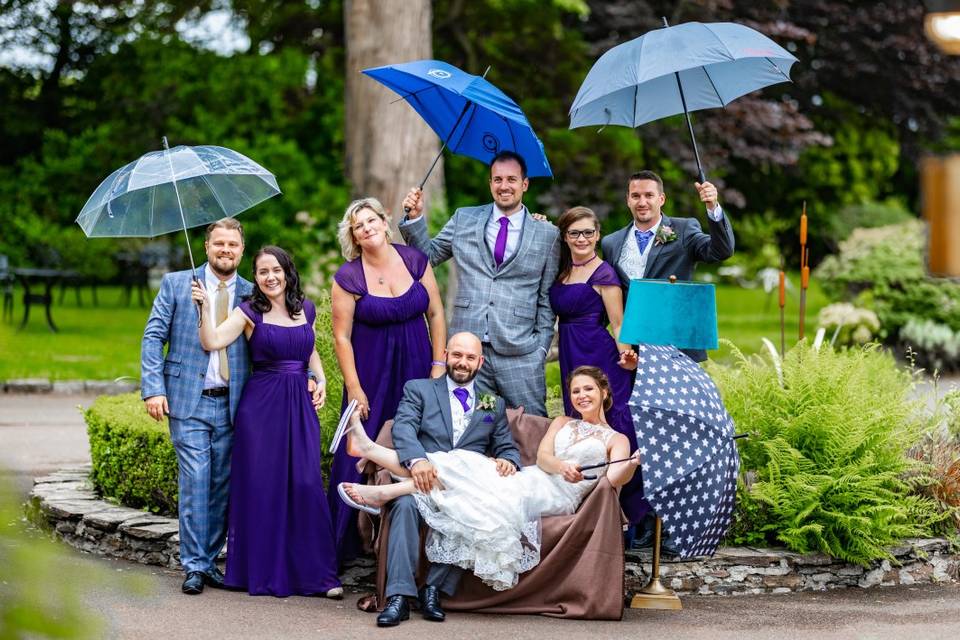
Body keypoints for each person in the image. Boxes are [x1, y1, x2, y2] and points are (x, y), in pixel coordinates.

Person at [338, 365, 639, 596]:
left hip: (557, 497)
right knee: (464, 463)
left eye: (588, 389)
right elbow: (544, 458)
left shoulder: (617, 440)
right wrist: (561, 465)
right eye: (575, 391)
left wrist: (631, 465)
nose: (581, 396)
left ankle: (374, 459)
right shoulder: (562, 422)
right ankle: (379, 469)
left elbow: (613, 479)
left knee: (465, 472)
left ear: (604, 392)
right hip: (533, 477)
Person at [337, 332, 520, 627]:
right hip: (420, 480)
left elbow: (507, 447)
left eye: (470, 357)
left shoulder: (491, 403)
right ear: (446, 354)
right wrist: (418, 459)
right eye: (457, 355)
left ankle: (433, 591)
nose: (462, 362)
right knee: (406, 505)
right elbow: (404, 429)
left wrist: (508, 461)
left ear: (480, 362)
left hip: (461, 491)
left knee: (478, 513)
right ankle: (398, 597)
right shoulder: (420, 389)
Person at [191, 245, 341, 598]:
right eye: (262, 272)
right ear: (256, 278)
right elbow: (212, 341)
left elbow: (311, 350)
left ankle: (318, 576)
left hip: (300, 408)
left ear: (288, 272)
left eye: (276, 270)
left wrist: (320, 379)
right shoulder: (248, 312)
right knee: (264, 488)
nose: (270, 277)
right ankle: (261, 572)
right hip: (261, 410)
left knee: (305, 484)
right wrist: (203, 308)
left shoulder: (305, 309)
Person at [329, 197, 446, 564]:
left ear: (385, 221)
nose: (367, 228)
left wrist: (439, 364)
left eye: (371, 220)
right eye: (358, 225)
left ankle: (415, 539)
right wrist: (355, 387)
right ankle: (345, 543)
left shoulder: (414, 260)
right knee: (359, 446)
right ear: (354, 236)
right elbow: (341, 337)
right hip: (371, 369)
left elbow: (436, 312)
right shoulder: (348, 277)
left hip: (417, 364)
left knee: (417, 441)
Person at [400, 151, 560, 417]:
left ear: (525, 184)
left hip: (521, 353)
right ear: (490, 184)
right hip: (467, 349)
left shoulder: (547, 234)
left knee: (531, 428)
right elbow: (427, 258)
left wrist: (541, 348)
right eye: (497, 179)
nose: (504, 186)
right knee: (468, 427)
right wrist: (416, 218)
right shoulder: (464, 219)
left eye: (511, 179)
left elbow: (546, 298)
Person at [141, 218, 252, 595]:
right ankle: (193, 565)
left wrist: (308, 374)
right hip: (187, 400)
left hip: (232, 405)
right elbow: (153, 336)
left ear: (241, 249)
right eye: (219, 243)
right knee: (195, 480)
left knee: (221, 485)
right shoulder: (177, 284)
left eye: (232, 245)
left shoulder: (252, 294)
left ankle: (207, 560)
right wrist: (153, 389)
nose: (225, 250)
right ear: (206, 247)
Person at [548, 206, 648, 526]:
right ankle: (584, 507)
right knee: (581, 422)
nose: (582, 239)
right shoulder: (562, 271)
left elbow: (618, 324)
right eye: (575, 233)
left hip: (599, 355)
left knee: (615, 423)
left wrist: (627, 357)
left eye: (589, 232)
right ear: (565, 237)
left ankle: (631, 514)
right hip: (570, 352)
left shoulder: (604, 273)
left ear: (598, 235)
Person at [600, 170, 735, 363]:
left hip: (675, 343)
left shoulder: (684, 230)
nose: (642, 202)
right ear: (628, 200)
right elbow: (610, 294)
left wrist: (713, 207)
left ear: (661, 199)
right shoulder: (611, 243)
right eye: (636, 196)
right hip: (631, 347)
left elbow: (721, 251)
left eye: (649, 195)